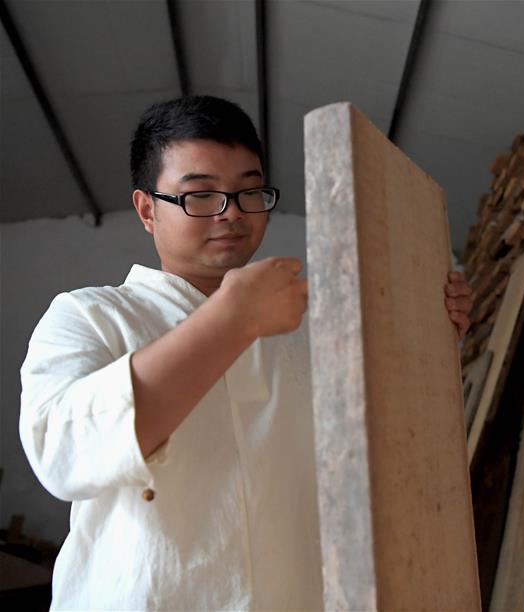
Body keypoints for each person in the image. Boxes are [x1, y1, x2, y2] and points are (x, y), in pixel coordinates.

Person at [19, 95, 474, 609]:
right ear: (147, 210)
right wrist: (232, 318)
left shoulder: (316, 328)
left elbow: (394, 449)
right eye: (200, 195)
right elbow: (62, 452)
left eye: (249, 191)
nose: (231, 214)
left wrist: (430, 339)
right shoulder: (90, 316)